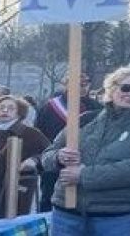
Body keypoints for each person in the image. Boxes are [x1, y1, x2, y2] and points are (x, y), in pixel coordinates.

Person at [41, 66, 130, 236]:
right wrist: (59, 157)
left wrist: (85, 175)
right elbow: (48, 154)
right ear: (112, 88)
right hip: (67, 212)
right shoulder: (85, 119)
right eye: (126, 87)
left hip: (118, 216)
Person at [35, 73, 102, 212]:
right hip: (55, 162)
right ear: (66, 85)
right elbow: (39, 132)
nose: (82, 87)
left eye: (85, 84)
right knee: (49, 200)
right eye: (78, 84)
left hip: (85, 163)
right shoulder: (50, 107)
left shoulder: (97, 108)